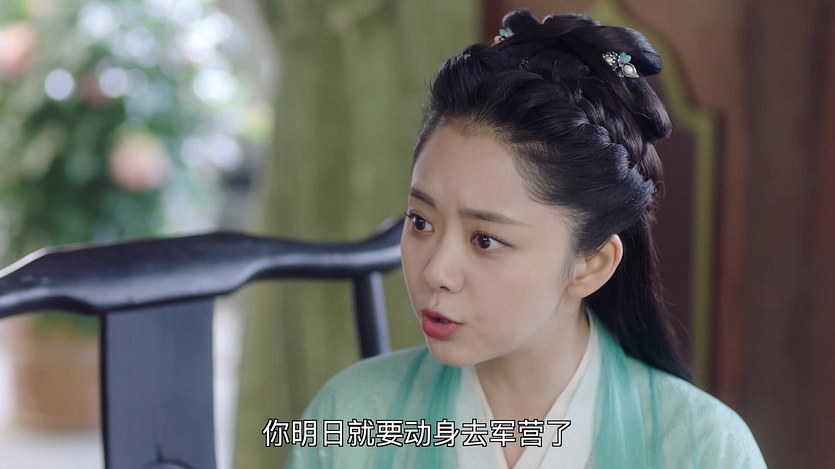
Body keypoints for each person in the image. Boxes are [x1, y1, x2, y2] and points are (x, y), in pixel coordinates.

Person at [286, 8, 766, 468]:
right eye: (421, 222)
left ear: (592, 263)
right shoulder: (350, 416)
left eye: (485, 240)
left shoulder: (703, 448)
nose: (435, 271)